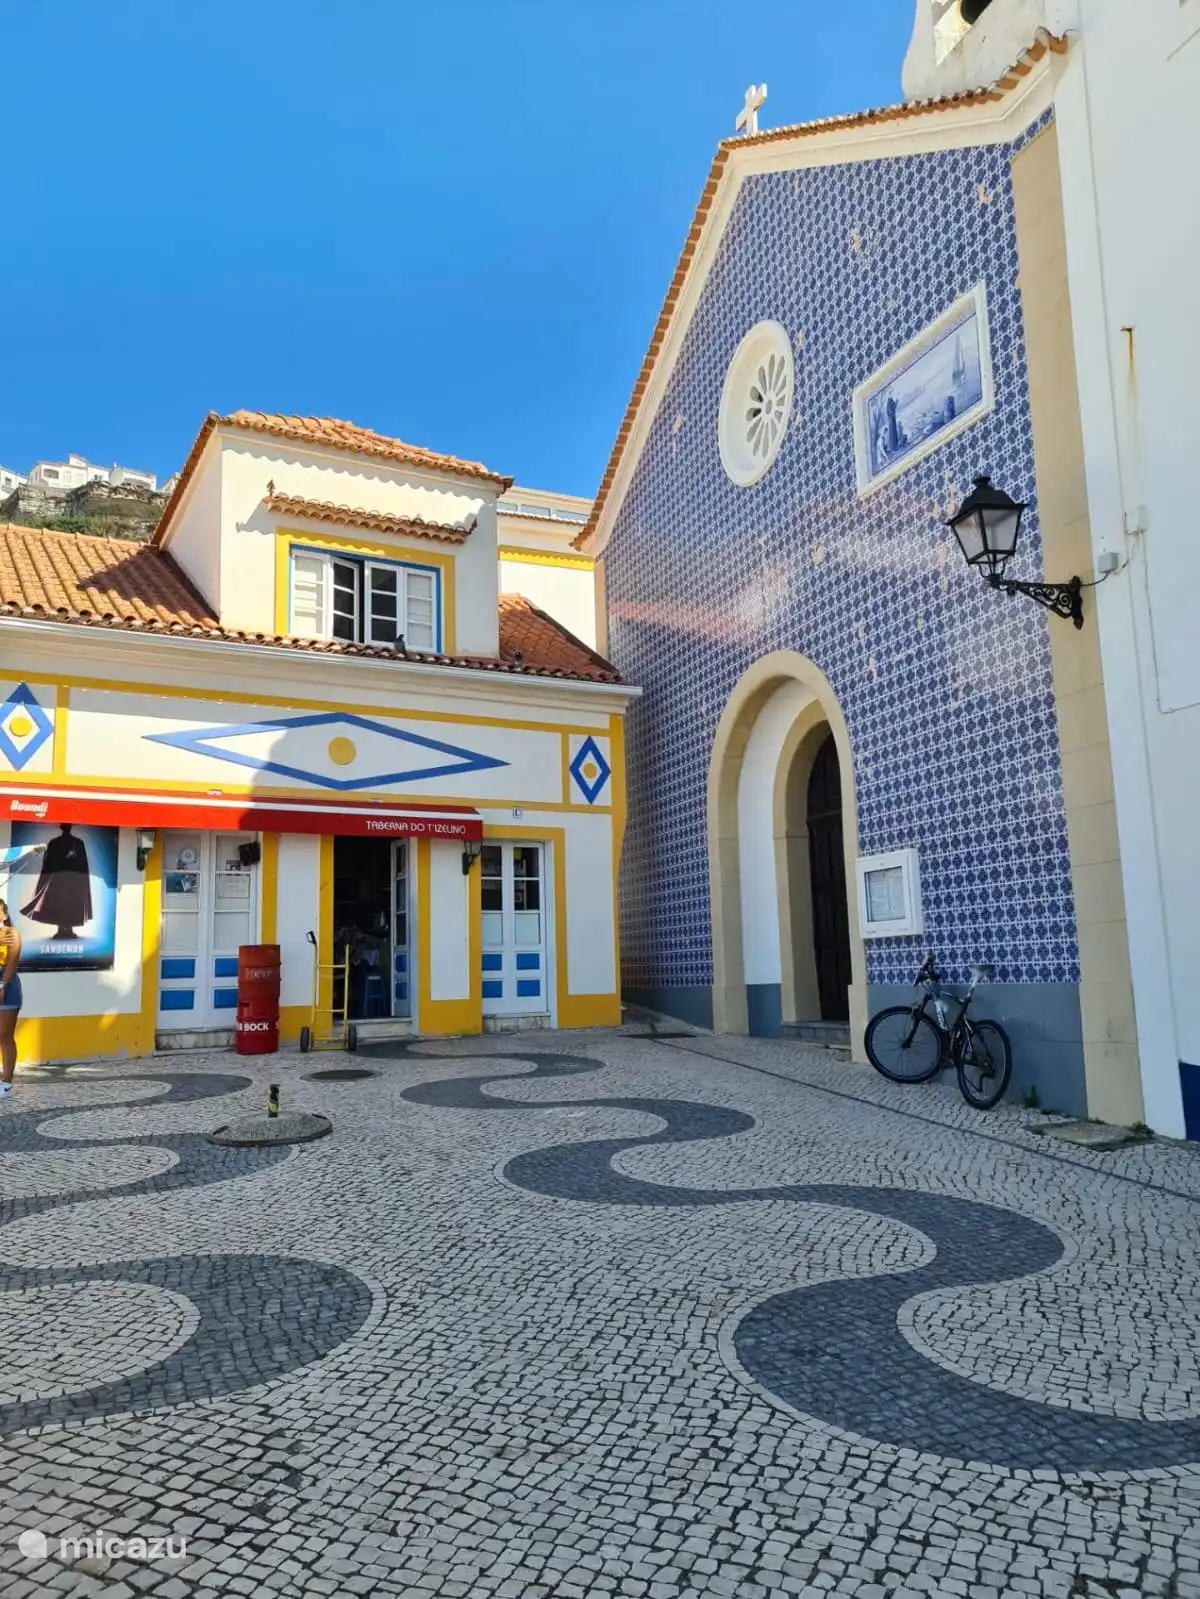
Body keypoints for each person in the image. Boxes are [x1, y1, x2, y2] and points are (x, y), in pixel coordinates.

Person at [21, 822, 92, 941]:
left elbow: (83, 864)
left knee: (70, 904)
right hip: (60, 880)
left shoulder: (76, 843)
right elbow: (48, 862)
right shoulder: (56, 843)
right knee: (60, 904)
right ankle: (62, 930)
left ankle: (68, 930)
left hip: (72, 880)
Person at [0, 897, 22, 1099]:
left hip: (6, 984)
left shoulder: (11, 933)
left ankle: (6, 1082)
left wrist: (2, 985)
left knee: (4, 1034)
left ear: (4, 914)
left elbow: (12, 962)